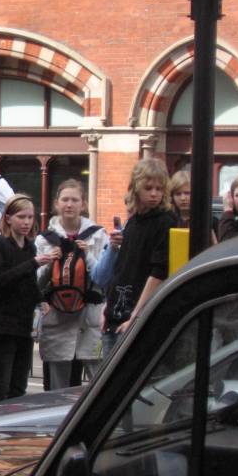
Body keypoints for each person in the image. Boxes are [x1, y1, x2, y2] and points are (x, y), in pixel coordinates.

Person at [100, 158, 176, 358]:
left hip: (137, 314)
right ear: (136, 188)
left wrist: (136, 315)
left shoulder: (166, 220)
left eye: (159, 189)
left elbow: (158, 272)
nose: (154, 194)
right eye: (148, 188)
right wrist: (108, 308)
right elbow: (122, 270)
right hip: (116, 313)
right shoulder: (133, 221)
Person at [35, 179, 107, 389]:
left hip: (89, 315)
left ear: (83, 204)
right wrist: (49, 262)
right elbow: (37, 282)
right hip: (58, 317)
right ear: (57, 203)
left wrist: (86, 256)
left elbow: (103, 277)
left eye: (74, 200)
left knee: (98, 380)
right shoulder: (44, 239)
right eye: (65, 199)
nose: (69, 204)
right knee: (58, 386)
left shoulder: (97, 235)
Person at [0, 194, 50, 406]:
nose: (27, 222)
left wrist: (41, 299)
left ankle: (12, 427)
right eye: (21, 216)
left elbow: (29, 283)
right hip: (2, 323)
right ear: (8, 218)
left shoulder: (29, 247)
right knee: (0, 383)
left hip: (24, 322)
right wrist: (33, 264)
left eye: (30, 217)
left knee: (19, 383)